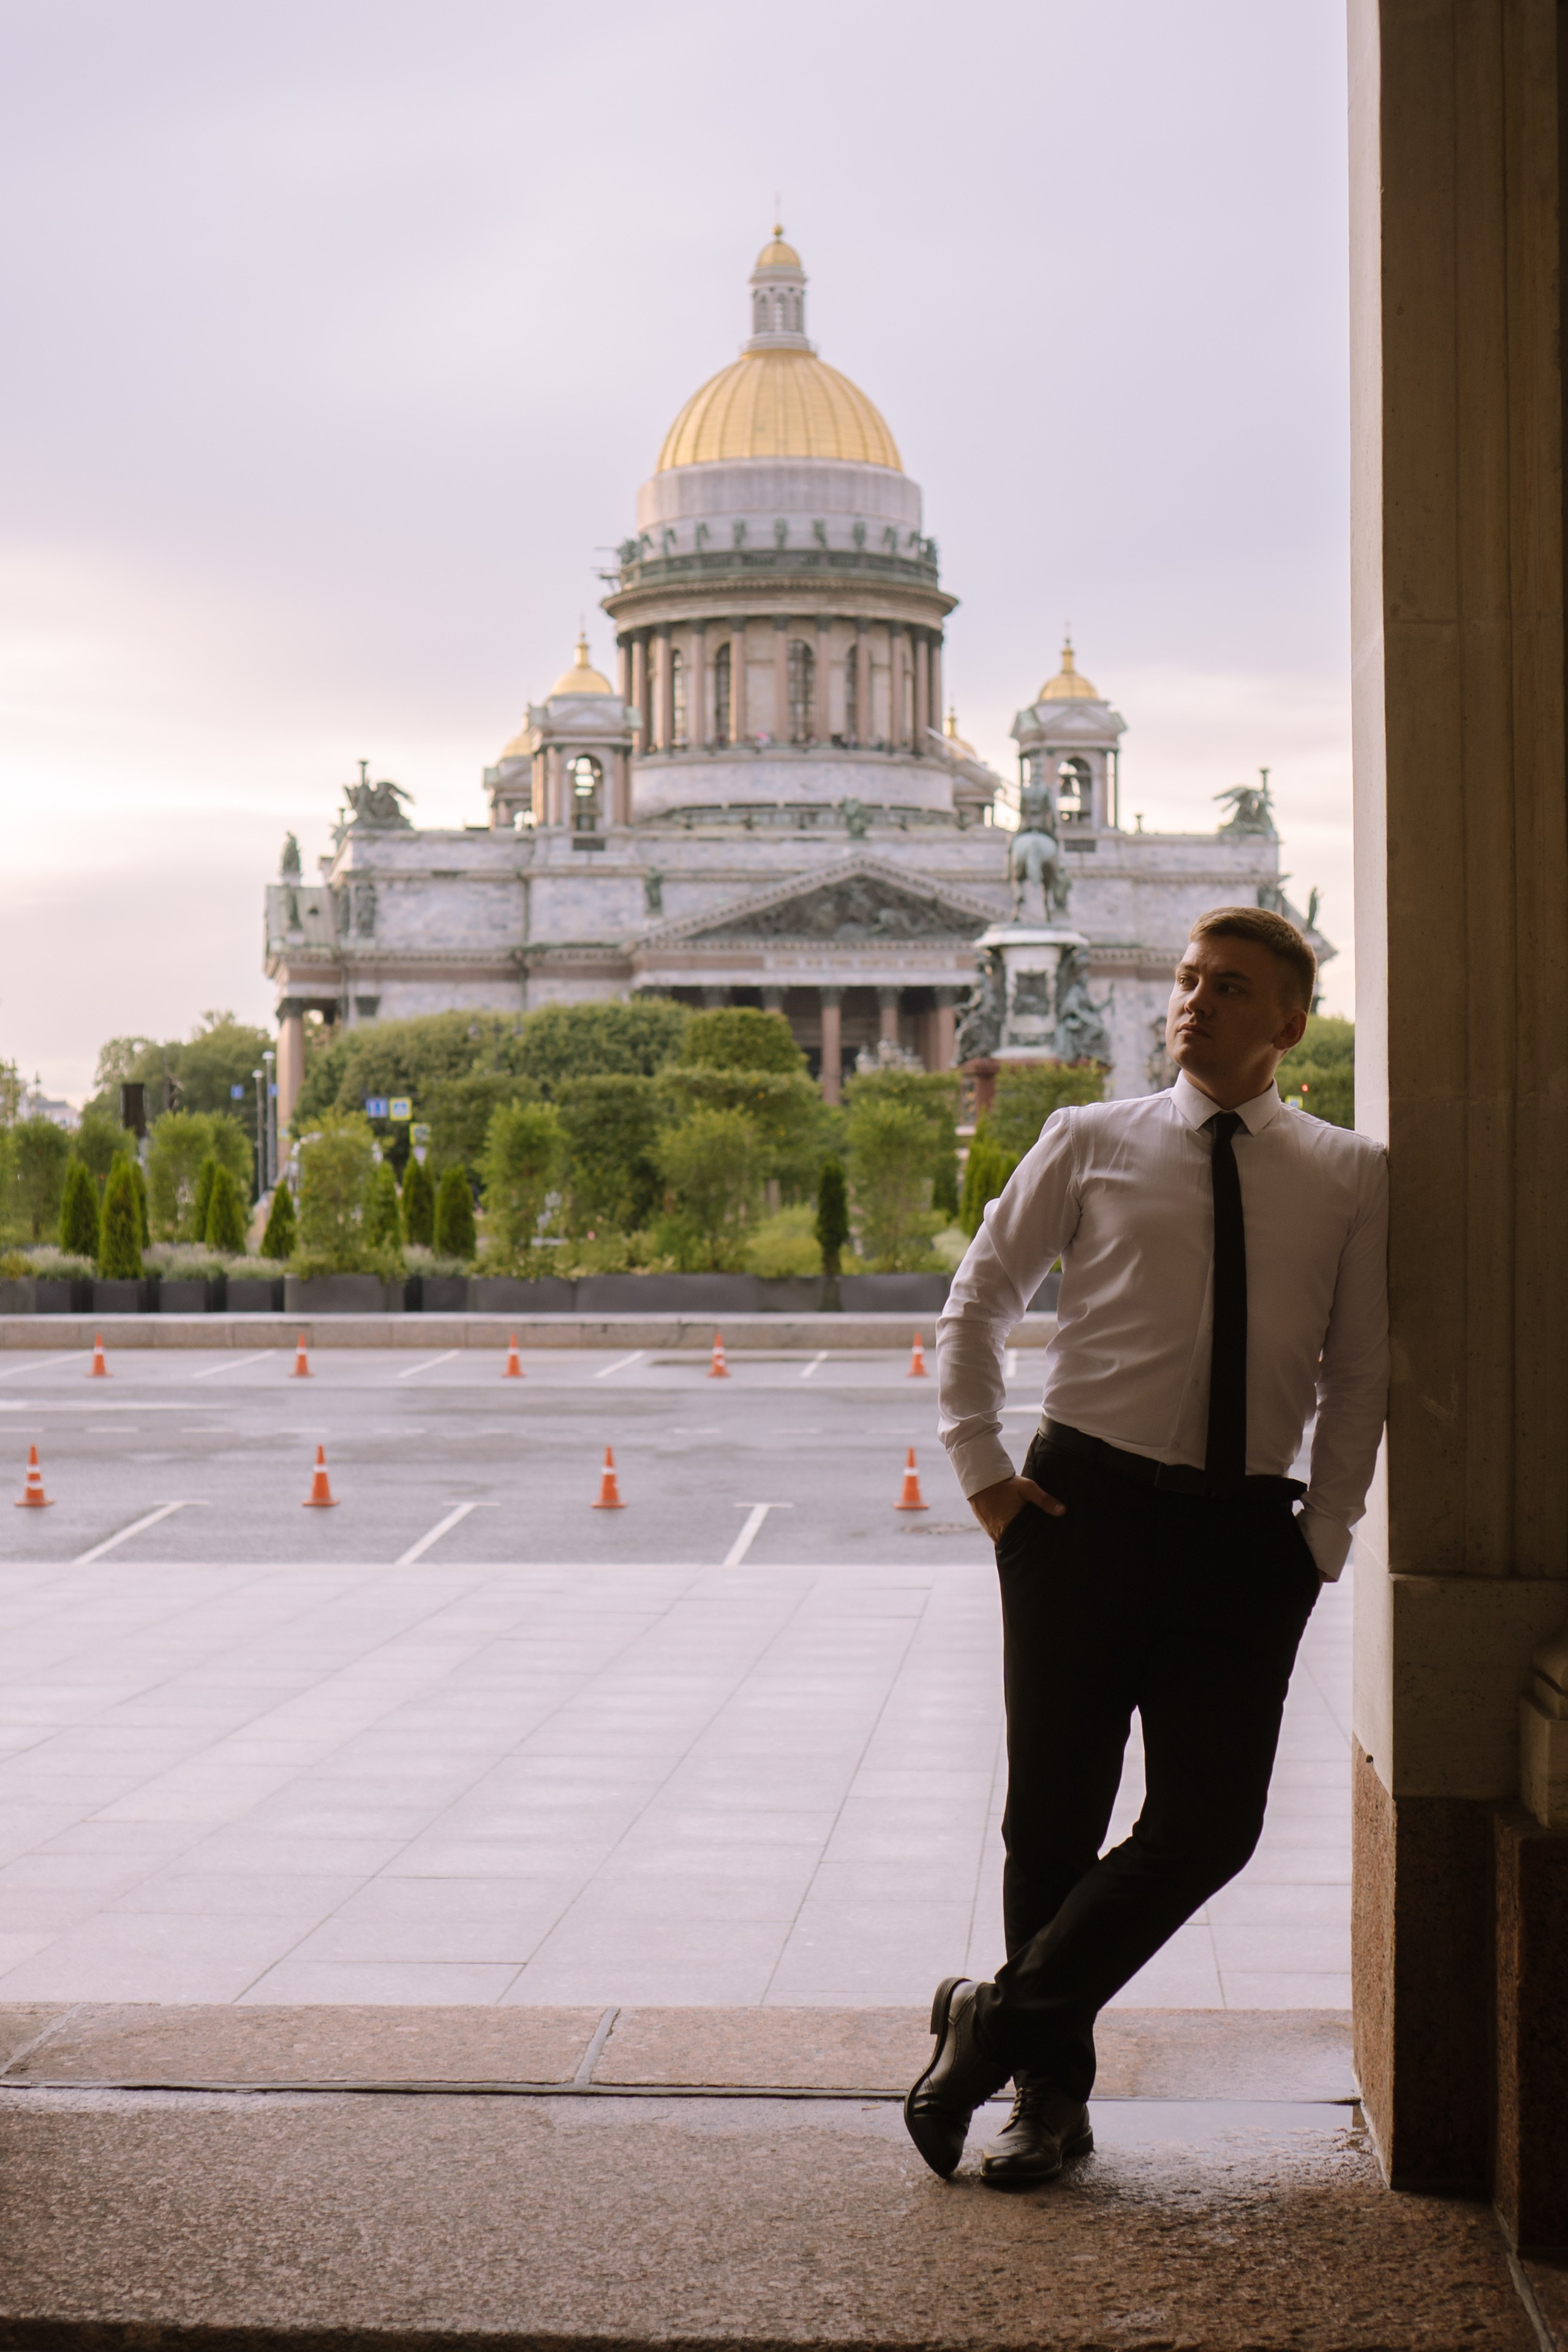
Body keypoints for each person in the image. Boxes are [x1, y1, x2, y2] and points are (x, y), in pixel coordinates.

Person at [905, 905, 1387, 2186]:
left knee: (1208, 1826)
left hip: (1246, 1540)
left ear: (1286, 1021)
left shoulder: (1345, 1174)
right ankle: (1045, 2105)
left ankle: (991, 2020)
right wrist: (984, 1475)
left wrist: (1321, 1539)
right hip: (1077, 1514)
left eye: (1228, 987)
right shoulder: (1087, 1139)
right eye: (1184, 981)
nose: (1194, 1002)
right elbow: (978, 1300)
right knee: (1050, 1822)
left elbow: (1359, 1369)